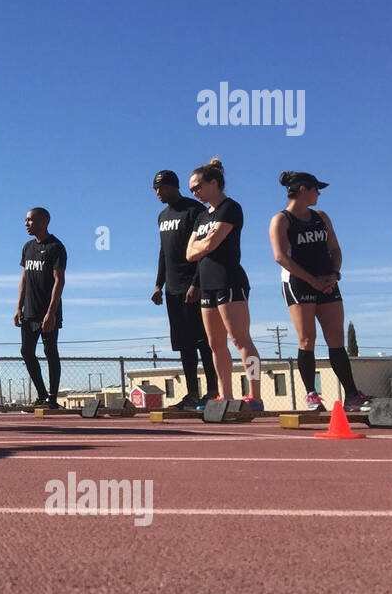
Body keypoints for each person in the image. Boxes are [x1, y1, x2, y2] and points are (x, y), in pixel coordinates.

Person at [268, 171, 370, 412]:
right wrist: (312, 281)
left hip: (327, 282)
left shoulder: (321, 217)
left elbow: (335, 248)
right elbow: (280, 256)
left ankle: (352, 395)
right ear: (303, 189)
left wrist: (334, 274)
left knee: (336, 340)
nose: (319, 193)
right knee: (307, 338)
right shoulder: (281, 220)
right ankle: (311, 394)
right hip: (299, 283)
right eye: (316, 189)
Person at [184, 158, 263, 409]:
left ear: (214, 183)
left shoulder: (230, 208)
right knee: (215, 344)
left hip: (229, 280)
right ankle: (225, 395)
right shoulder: (201, 216)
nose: (195, 193)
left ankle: (255, 396)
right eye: (192, 190)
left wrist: (201, 247)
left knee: (241, 340)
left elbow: (210, 244)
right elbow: (189, 253)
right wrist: (200, 248)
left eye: (198, 187)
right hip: (207, 283)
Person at [150, 170, 218, 409]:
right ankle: (191, 394)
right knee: (184, 344)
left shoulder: (195, 210)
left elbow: (203, 251)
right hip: (173, 289)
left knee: (204, 342)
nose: (158, 193)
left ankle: (212, 392)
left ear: (173, 186)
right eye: (155, 189)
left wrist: (196, 284)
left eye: (162, 188)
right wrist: (159, 284)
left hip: (194, 287)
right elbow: (163, 252)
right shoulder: (162, 216)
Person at [13, 208, 66, 408]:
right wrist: (18, 307)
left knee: (50, 351)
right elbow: (24, 278)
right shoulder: (27, 247)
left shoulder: (56, 247)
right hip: (30, 312)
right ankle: (42, 395)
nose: (26, 224)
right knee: (26, 351)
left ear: (44, 221)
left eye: (30, 220)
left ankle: (53, 399)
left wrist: (51, 313)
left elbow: (59, 281)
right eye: (25, 220)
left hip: (48, 312)